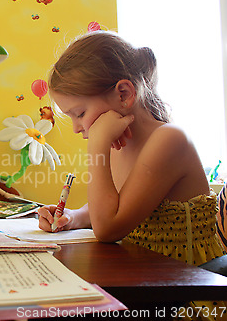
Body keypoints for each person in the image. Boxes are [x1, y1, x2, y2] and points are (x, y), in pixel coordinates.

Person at [39, 30, 225, 319]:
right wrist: (71, 218)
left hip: (189, 296)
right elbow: (114, 207)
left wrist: (98, 145)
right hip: (145, 282)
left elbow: (108, 227)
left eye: (79, 113)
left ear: (124, 94)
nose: (76, 128)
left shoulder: (169, 141)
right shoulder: (119, 143)